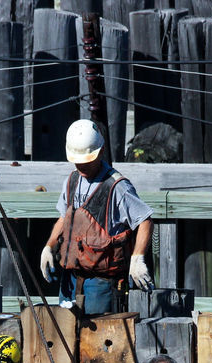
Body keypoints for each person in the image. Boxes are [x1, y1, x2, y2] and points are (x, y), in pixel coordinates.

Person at [40, 119, 155, 315]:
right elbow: (65, 217)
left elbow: (145, 220)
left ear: (101, 152)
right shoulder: (72, 180)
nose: (82, 166)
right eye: (78, 161)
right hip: (71, 278)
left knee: (98, 342)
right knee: (65, 335)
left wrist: (137, 258)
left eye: (87, 161)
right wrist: (49, 246)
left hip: (102, 284)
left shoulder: (118, 187)